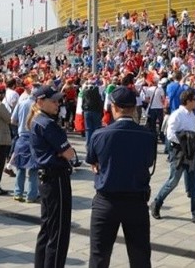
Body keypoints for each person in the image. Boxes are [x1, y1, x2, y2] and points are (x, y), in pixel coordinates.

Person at [86, 86, 156, 268]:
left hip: (106, 201)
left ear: (113, 107)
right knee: (140, 257)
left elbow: (93, 163)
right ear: (133, 108)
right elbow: (148, 162)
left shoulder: (99, 134)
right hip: (136, 201)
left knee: (99, 256)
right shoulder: (147, 135)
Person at [29, 85, 77, 268]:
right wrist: (64, 152)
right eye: (53, 101)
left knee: (47, 229)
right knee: (58, 232)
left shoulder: (38, 120)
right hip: (56, 178)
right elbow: (70, 153)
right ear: (40, 101)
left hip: (47, 178)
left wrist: (63, 152)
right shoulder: (47, 123)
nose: (58, 104)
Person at [150, 88, 195, 223]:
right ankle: (156, 203)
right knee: (173, 181)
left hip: (191, 153)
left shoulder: (192, 116)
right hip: (179, 152)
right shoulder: (177, 115)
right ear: (188, 101)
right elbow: (170, 134)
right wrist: (185, 141)